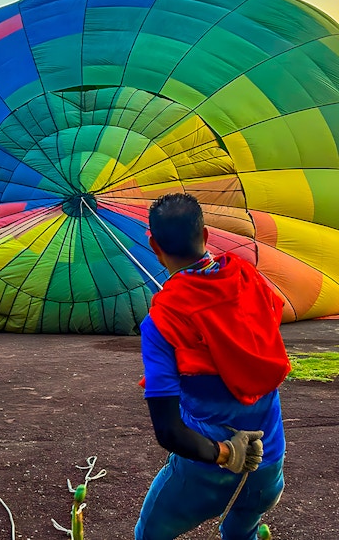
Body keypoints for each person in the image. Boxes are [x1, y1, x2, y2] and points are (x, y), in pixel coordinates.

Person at [135, 193, 291, 540]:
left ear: (153, 245)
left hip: (208, 470)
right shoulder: (248, 278)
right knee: (241, 531)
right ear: (205, 236)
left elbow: (169, 431)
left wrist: (225, 453)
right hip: (269, 462)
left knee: (150, 533)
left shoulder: (162, 321)